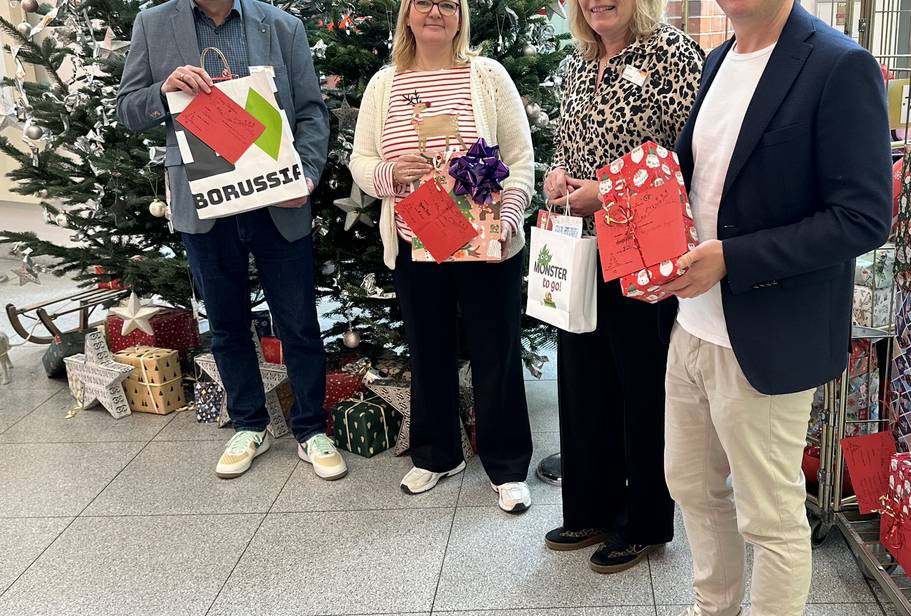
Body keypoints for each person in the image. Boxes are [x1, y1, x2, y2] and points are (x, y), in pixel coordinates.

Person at [651, 0, 891, 616]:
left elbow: (863, 217)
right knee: (694, 488)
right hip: (692, 324)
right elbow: (698, 183)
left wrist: (733, 258)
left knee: (770, 515)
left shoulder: (840, 65)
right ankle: (714, 614)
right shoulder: (718, 59)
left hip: (768, 336)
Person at [117, 0, 343, 481]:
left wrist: (303, 177)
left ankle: (309, 427)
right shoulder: (152, 24)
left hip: (278, 200)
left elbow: (311, 112)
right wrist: (163, 89)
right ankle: (249, 423)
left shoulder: (282, 25)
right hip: (204, 204)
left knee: (299, 322)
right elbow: (128, 110)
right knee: (225, 323)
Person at [348, 0, 536, 513]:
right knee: (428, 350)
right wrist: (390, 175)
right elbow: (360, 160)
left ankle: (507, 463)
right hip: (418, 241)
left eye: (449, 4)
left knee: (496, 352)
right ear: (408, 14)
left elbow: (520, 158)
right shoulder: (384, 84)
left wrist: (509, 218)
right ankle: (437, 455)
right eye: (425, 2)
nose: (437, 11)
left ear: (461, 16)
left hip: (486, 244)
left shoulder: (488, 75)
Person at [542, 0, 704, 574]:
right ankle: (590, 505)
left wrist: (607, 195)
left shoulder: (673, 53)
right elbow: (568, 143)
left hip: (644, 251)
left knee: (643, 387)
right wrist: (558, 176)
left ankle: (645, 522)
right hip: (581, 248)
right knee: (583, 379)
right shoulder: (581, 61)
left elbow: (685, 162)